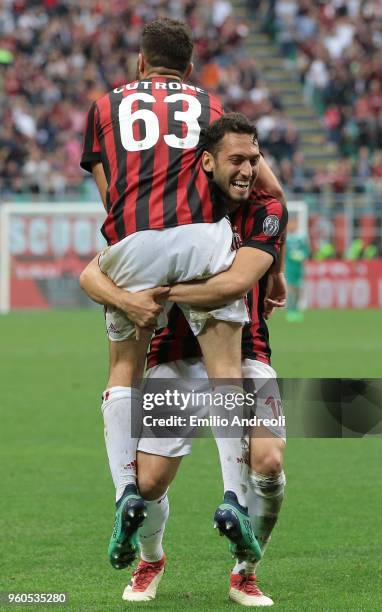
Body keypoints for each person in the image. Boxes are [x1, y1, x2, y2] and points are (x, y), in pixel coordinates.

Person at [80, 116, 288, 606]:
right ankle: (152, 558)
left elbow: (234, 284)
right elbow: (92, 272)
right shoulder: (169, 209)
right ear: (207, 163)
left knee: (270, 461)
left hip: (246, 352)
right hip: (173, 355)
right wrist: (127, 300)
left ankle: (245, 569)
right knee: (148, 482)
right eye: (237, 161)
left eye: (254, 161)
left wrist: (161, 291)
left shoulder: (267, 209)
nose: (247, 171)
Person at [80, 18, 264, 570]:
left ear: (141, 62)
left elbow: (108, 190)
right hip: (201, 234)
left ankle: (125, 493)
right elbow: (248, 172)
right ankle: (234, 496)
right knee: (225, 368)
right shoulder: (209, 106)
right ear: (189, 66)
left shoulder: (102, 107)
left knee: (122, 371)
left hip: (135, 240)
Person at [285, 213, 310, 322]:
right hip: (289, 267)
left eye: (295, 223)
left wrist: (302, 255)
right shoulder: (285, 237)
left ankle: (296, 310)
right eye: (291, 223)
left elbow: (307, 250)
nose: (293, 225)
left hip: (299, 268)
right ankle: (290, 311)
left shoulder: (302, 237)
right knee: (291, 289)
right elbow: (283, 251)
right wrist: (291, 255)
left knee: (299, 289)